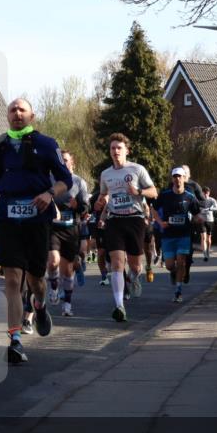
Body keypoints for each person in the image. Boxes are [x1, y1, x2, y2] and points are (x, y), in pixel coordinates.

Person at [0, 98, 72, 364]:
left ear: (32, 116)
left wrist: (49, 194)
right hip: (7, 217)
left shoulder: (46, 144)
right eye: (12, 110)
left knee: (36, 280)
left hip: (37, 219)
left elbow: (66, 180)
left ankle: (39, 305)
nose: (16, 113)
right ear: (7, 115)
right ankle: (15, 340)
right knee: (12, 280)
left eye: (22, 110)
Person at [96, 133, 157, 322]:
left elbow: (154, 192)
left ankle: (134, 277)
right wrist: (101, 202)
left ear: (126, 151)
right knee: (116, 263)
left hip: (135, 219)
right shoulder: (106, 174)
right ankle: (119, 305)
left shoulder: (138, 169)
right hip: (114, 220)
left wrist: (138, 191)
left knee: (135, 264)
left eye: (119, 148)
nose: (115, 151)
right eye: (112, 148)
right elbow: (104, 195)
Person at [46, 151, 89, 317]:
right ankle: (54, 288)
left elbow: (86, 208)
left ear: (72, 163)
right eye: (60, 161)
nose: (63, 164)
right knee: (53, 261)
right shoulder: (49, 179)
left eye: (66, 161)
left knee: (67, 270)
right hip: (53, 228)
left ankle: (68, 305)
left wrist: (76, 205)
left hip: (71, 229)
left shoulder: (79, 182)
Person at [155, 167, 202, 303]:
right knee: (170, 266)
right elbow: (154, 209)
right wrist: (160, 222)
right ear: (172, 179)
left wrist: (199, 218)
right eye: (175, 177)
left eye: (180, 176)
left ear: (184, 179)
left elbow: (196, 213)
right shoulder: (165, 195)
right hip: (168, 235)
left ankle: (178, 291)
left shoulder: (190, 196)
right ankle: (175, 274)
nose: (177, 179)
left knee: (181, 261)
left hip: (183, 234)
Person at [181, 164, 207, 283]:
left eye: (185, 173)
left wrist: (192, 201)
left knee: (188, 247)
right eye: (181, 172)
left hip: (190, 221)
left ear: (189, 174)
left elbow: (204, 202)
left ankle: (187, 269)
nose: (182, 175)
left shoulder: (194, 185)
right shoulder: (173, 184)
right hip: (175, 220)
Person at [200, 186, 217, 260]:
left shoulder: (212, 200)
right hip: (202, 220)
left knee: (208, 238)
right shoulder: (199, 200)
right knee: (203, 237)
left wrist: (209, 209)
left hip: (210, 220)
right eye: (204, 193)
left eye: (207, 193)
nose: (205, 195)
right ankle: (204, 254)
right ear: (202, 193)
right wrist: (200, 210)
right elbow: (195, 208)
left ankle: (208, 250)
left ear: (209, 193)